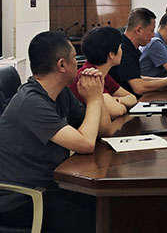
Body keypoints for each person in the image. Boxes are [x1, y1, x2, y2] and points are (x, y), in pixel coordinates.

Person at [0, 31, 111, 233]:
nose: (78, 63)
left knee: (112, 207)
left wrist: (98, 92)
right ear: (62, 65)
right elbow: (86, 144)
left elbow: (103, 130)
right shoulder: (31, 102)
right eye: (74, 58)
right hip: (23, 199)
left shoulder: (61, 93)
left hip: (52, 187)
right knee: (103, 221)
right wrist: (95, 99)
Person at [109, 7, 167, 96]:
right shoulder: (123, 49)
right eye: (151, 30)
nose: (153, 35)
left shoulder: (131, 47)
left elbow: (137, 78)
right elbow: (139, 87)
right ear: (139, 30)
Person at [68, 26, 137, 118]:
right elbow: (117, 111)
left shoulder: (103, 73)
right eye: (120, 47)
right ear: (111, 54)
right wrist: (120, 104)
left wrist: (118, 100)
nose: (122, 51)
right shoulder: (89, 75)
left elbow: (132, 98)